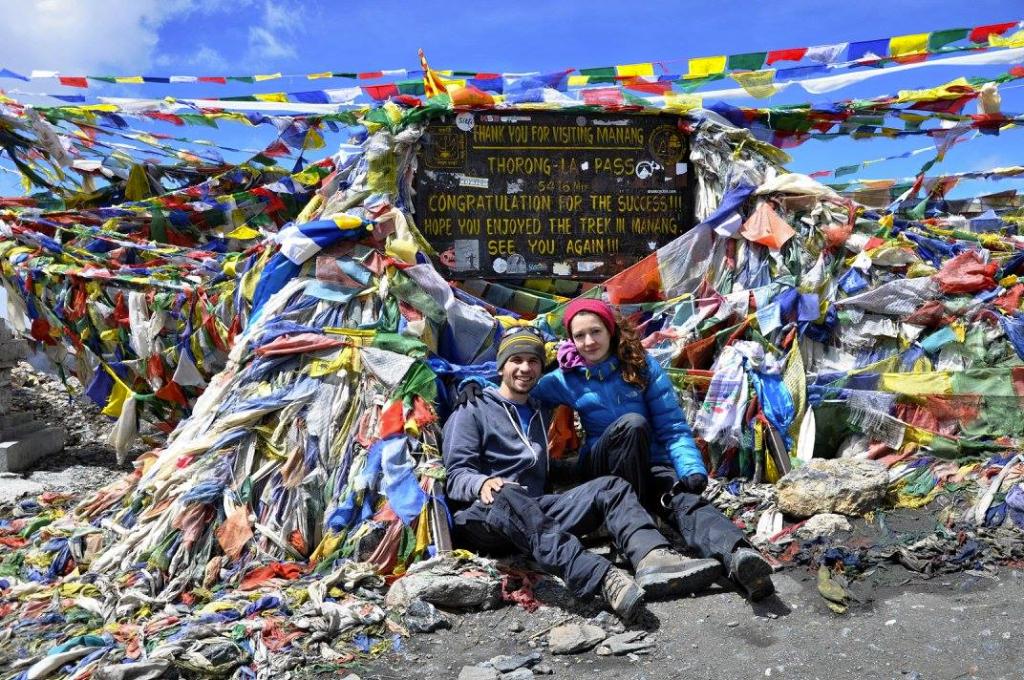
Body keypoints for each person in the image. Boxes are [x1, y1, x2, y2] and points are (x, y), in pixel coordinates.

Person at [459, 301, 775, 601]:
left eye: (594, 331)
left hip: (649, 463)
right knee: (633, 424)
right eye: (579, 335)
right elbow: (515, 382)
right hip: (602, 465)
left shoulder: (642, 367)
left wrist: (691, 470)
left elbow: (672, 426)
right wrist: (471, 382)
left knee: (681, 499)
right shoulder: (566, 378)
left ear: (610, 330)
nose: (588, 341)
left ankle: (738, 556)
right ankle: (638, 539)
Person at [442, 327, 722, 623]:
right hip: (486, 516)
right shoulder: (472, 409)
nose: (525, 368)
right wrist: (483, 482)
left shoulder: (538, 407)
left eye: (533, 361)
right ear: (501, 366)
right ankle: (601, 578)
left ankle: (652, 556)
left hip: (535, 511)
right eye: (516, 360)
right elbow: (456, 475)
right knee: (508, 494)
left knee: (611, 488)